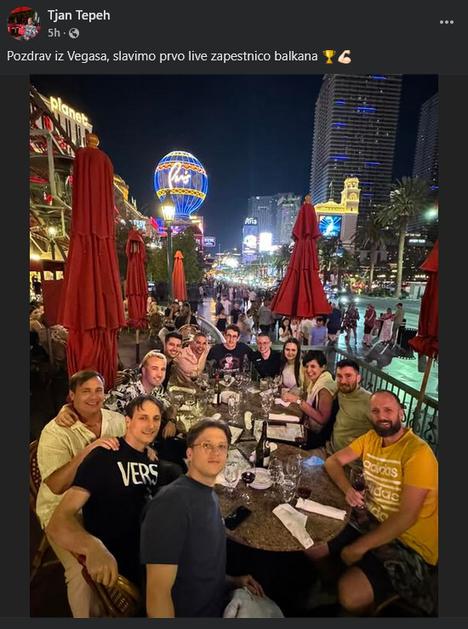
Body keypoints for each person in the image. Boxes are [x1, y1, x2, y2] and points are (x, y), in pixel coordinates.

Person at [311, 390, 438, 616]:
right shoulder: (371, 438)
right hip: (368, 518)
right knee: (312, 543)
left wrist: (359, 547)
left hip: (408, 541)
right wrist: (348, 490)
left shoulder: (418, 453)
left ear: (401, 413)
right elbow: (332, 461)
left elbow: (407, 516)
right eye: (376, 411)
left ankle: (366, 603)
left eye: (388, 410)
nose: (382, 416)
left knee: (350, 594)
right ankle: (331, 584)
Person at [46, 396, 182, 593]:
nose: (151, 425)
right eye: (143, 418)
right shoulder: (104, 456)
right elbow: (57, 522)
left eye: (156, 419)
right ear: (128, 421)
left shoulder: (153, 461)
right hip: (135, 567)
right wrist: (92, 546)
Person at [141, 419, 265, 617]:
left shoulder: (209, 495)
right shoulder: (170, 504)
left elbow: (199, 567)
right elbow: (158, 594)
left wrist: (234, 581)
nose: (215, 452)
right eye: (206, 445)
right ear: (189, 454)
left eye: (221, 447)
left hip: (221, 601)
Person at [36, 370, 126, 617]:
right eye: (85, 391)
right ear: (71, 396)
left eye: (98, 391)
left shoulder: (117, 420)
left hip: (105, 502)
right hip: (62, 509)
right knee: (80, 571)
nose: (93, 397)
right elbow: (56, 485)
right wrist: (90, 451)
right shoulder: (55, 432)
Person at [282, 350, 337, 448]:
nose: (308, 370)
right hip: (309, 427)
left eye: (313, 366)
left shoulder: (324, 389)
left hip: (317, 437)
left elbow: (322, 419)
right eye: (306, 366)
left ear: (323, 367)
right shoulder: (317, 380)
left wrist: (298, 400)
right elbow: (307, 396)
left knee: (281, 435)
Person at [328, 359, 373, 455]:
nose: (343, 381)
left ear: (358, 378)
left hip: (349, 461)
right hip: (330, 449)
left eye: (348, 376)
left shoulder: (369, 401)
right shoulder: (340, 391)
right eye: (339, 376)